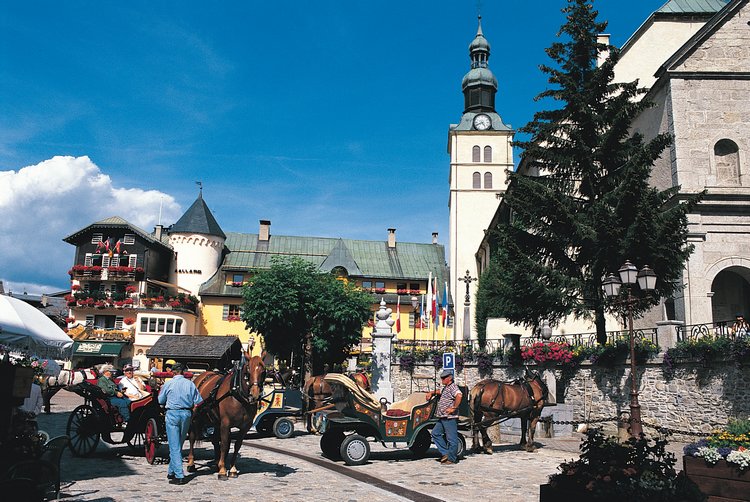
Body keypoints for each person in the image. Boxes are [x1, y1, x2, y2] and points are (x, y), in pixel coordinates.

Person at [158, 362, 203, 485]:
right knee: (179, 444)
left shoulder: (168, 384)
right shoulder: (190, 384)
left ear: (173, 372)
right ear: (183, 372)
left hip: (173, 413)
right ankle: (171, 471)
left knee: (174, 446)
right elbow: (198, 401)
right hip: (186, 414)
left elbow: (160, 400)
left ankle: (179, 475)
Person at [426, 368, 463, 465]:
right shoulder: (446, 387)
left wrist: (454, 408)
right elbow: (439, 391)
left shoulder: (453, 387)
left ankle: (451, 459)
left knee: (452, 439)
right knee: (435, 433)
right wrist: (431, 393)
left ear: (449, 378)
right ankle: (445, 453)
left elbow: (459, 395)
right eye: (441, 378)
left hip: (449, 417)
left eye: (443, 378)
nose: (442, 380)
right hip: (442, 417)